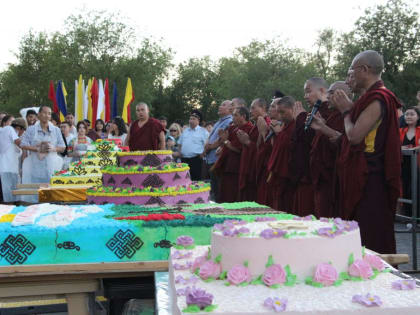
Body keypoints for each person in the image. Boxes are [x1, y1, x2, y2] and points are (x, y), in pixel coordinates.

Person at [334, 50, 402, 254]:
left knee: (370, 235)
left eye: (353, 70)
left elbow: (354, 136)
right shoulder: (369, 98)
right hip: (361, 173)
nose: (350, 77)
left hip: (371, 178)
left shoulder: (379, 98)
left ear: (364, 69)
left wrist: (346, 111)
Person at [308, 81, 350, 218]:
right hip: (323, 175)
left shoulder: (349, 115)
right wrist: (322, 126)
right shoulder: (332, 115)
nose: (328, 96)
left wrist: (323, 128)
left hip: (335, 177)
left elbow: (346, 143)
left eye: (332, 93)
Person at [213, 106, 253, 202]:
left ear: (243, 116)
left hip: (237, 167)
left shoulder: (248, 128)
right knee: (224, 194)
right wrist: (222, 146)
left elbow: (238, 149)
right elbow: (225, 142)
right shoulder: (232, 128)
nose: (233, 117)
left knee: (233, 196)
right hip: (227, 165)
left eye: (235, 115)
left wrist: (225, 141)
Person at [21, 105, 65, 185]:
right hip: (35, 166)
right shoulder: (31, 129)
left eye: (49, 113)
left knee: (51, 192)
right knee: (35, 193)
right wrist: (36, 149)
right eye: (44, 113)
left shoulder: (56, 130)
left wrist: (53, 148)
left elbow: (63, 147)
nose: (47, 115)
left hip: (52, 167)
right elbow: (23, 144)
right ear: (39, 114)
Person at [237, 98, 270, 201]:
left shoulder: (266, 123)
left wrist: (247, 142)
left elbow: (265, 150)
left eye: (253, 108)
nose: (250, 111)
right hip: (249, 169)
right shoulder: (255, 126)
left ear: (263, 108)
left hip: (258, 172)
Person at [267, 97, 296, 211]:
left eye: (283, 112)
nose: (280, 115)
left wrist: (279, 133)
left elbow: (292, 147)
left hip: (288, 173)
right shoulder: (283, 126)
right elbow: (276, 147)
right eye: (279, 112)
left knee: (286, 205)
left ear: (292, 109)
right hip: (278, 172)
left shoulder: (296, 125)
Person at [204, 100, 233, 201]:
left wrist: (210, 147)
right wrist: (206, 146)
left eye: (223, 105)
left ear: (230, 109)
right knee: (214, 188)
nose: (220, 106)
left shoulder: (229, 121)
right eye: (220, 104)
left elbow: (222, 139)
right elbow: (210, 136)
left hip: (218, 159)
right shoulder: (219, 121)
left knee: (219, 189)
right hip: (211, 158)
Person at [175, 110, 209, 180]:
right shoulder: (185, 131)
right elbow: (180, 143)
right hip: (184, 159)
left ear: (198, 121)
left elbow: (207, 144)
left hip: (196, 160)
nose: (191, 121)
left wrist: (203, 153)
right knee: (184, 180)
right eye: (190, 119)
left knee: (195, 180)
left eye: (193, 119)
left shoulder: (203, 131)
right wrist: (180, 152)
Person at [399, 107, 420, 216]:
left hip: (417, 165)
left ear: (418, 117)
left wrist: (412, 149)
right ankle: (407, 216)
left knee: (416, 190)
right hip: (404, 165)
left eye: (412, 114)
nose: (408, 116)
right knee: (405, 189)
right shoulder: (401, 131)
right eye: (406, 114)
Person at [255, 101, 277, 206]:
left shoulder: (269, 122)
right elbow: (259, 146)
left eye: (273, 106)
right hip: (262, 166)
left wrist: (263, 133)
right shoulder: (266, 122)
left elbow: (273, 147)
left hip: (271, 168)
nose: (269, 109)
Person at [0, 118, 26, 202]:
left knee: (15, 195)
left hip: (13, 170)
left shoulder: (9, 135)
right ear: (19, 128)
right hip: (6, 168)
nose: (22, 134)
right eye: (23, 131)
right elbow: (20, 142)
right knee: (9, 196)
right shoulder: (9, 129)